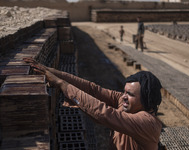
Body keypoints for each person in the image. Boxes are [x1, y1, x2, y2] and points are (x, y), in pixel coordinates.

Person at [23, 57, 163, 150]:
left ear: (146, 99)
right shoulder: (126, 103)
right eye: (124, 92)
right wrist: (52, 72)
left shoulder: (147, 123)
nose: (124, 97)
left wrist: (62, 85)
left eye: (130, 94)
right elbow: (93, 90)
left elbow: (105, 113)